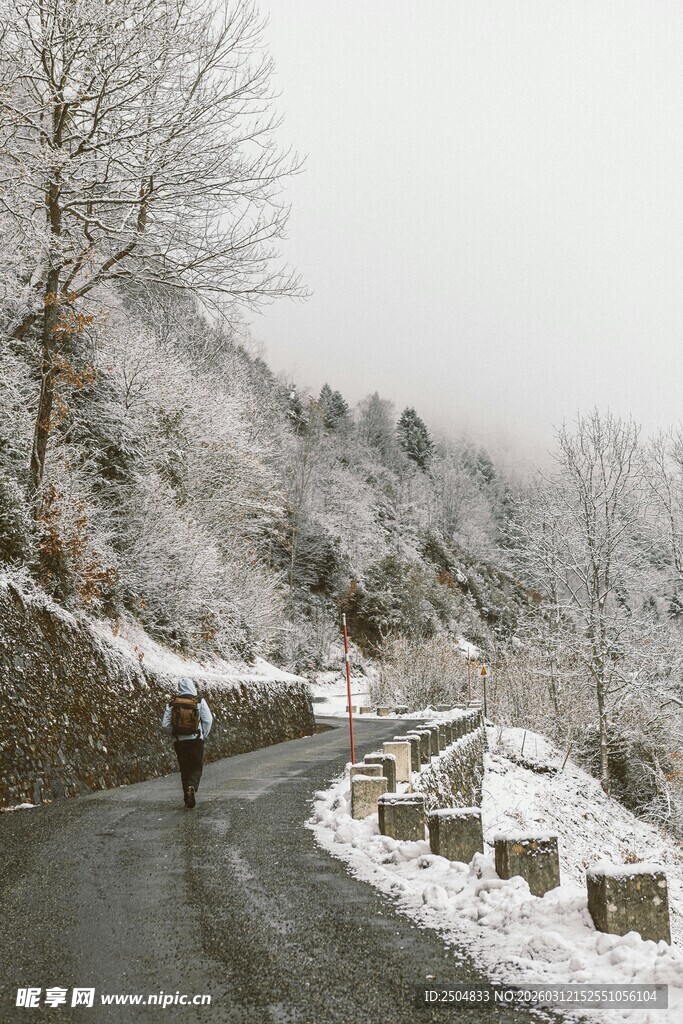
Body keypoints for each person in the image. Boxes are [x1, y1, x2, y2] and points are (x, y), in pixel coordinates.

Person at [161, 678, 213, 808]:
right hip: (195, 740)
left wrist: (175, 734)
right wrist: (203, 734)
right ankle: (192, 786)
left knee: (185, 769)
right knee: (196, 767)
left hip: (180, 742)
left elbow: (165, 725)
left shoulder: (173, 703)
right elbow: (208, 720)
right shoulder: (198, 701)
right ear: (192, 687)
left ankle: (187, 799)